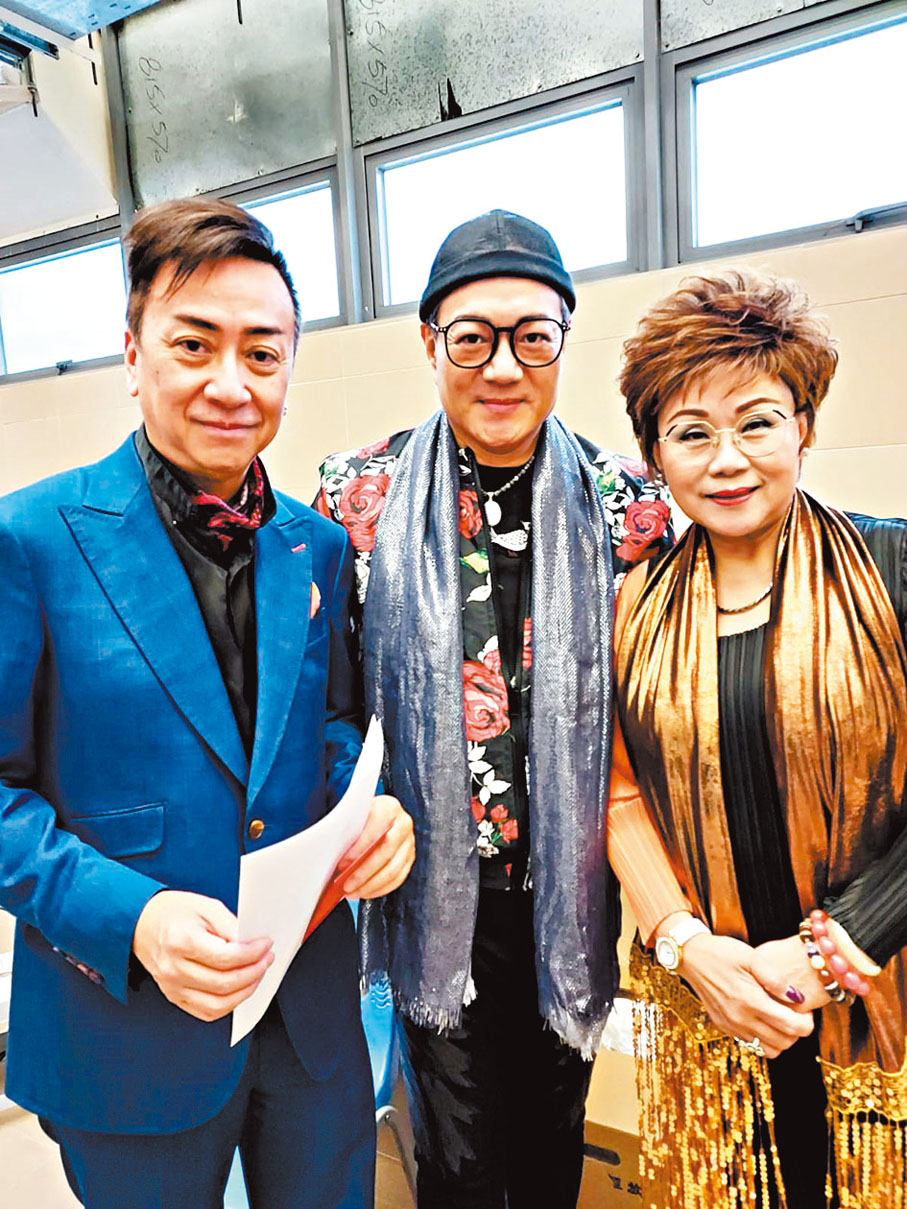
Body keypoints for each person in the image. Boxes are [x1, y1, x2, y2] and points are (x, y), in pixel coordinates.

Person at [0, 196, 415, 1209]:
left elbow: (328, 728)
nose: (231, 384)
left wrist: (367, 811)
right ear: (132, 353)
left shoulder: (313, 544)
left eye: (262, 354)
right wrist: (134, 917)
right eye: (194, 345)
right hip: (125, 1029)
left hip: (308, 1019)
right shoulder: (32, 540)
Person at [314, 209, 673, 1209]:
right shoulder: (357, 497)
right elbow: (329, 697)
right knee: (456, 1160)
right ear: (430, 343)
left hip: (571, 888)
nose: (503, 367)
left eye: (532, 337)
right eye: (472, 338)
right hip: (428, 888)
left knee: (551, 1143)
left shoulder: (630, 506)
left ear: (563, 339)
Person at [607, 268, 907, 1209]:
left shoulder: (893, 566)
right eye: (691, 433)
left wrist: (832, 952)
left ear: (803, 426)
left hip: (884, 996)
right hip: (718, 1008)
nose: (726, 459)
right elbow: (619, 794)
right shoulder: (632, 604)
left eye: (757, 422)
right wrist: (688, 947)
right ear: (656, 454)